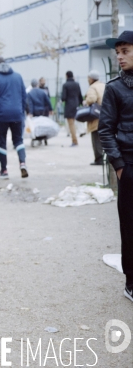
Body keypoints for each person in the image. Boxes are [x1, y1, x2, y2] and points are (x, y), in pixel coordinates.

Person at [98, 30, 133, 303]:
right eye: (118, 52)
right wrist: (119, 166)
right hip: (129, 166)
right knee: (130, 226)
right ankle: (131, 282)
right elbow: (105, 131)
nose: (119, 57)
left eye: (125, 51)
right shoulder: (114, 88)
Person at [0, 56, 28, 179]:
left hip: (1, 116)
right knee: (18, 140)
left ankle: (4, 171)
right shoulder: (18, 76)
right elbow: (23, 96)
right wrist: (22, 111)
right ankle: (22, 163)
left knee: (2, 142)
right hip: (17, 114)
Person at [85, 69, 106, 165]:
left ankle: (99, 159)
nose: (87, 80)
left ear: (91, 78)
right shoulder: (104, 85)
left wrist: (85, 102)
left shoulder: (93, 88)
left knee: (96, 138)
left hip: (96, 116)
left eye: (88, 78)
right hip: (106, 115)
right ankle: (105, 157)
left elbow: (92, 99)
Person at [61, 71, 83, 146]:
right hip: (76, 105)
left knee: (71, 124)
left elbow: (63, 97)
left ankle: (74, 141)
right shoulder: (77, 84)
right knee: (75, 122)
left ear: (66, 76)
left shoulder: (65, 85)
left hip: (69, 106)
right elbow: (80, 95)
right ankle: (75, 138)